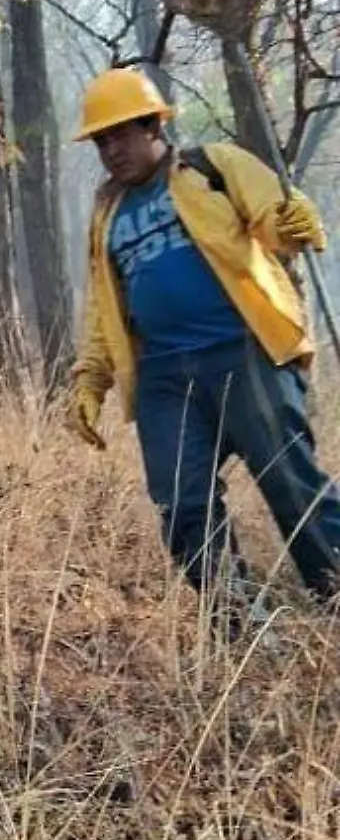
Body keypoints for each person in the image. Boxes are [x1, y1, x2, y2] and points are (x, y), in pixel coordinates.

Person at [65, 67, 340, 616]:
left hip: (241, 349)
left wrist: (292, 223)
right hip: (162, 377)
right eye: (101, 140)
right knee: (180, 502)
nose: (110, 149)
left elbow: (271, 214)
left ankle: (334, 590)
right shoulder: (106, 214)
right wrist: (90, 380)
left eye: (119, 133)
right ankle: (237, 619)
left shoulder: (211, 167)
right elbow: (104, 308)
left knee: (289, 480)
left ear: (152, 126)